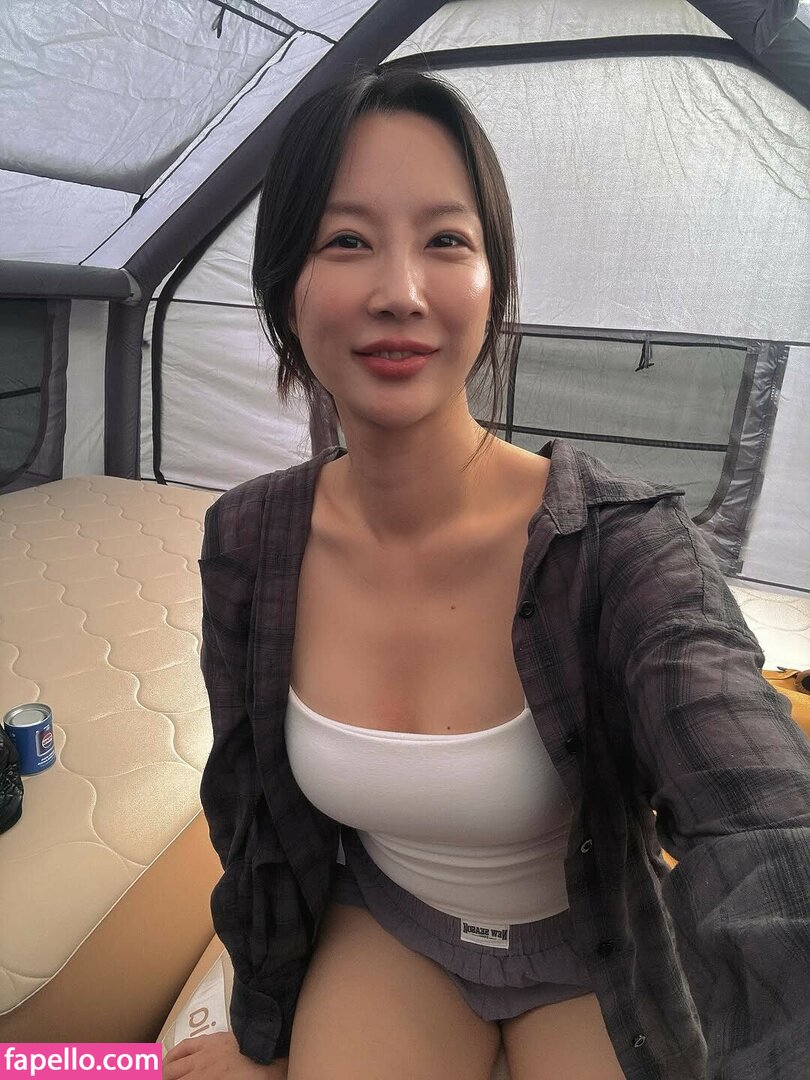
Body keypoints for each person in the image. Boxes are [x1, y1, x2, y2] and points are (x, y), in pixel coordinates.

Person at [163, 65, 810, 1080]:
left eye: (446, 241)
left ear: (493, 284)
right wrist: (262, 1037)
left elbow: (763, 814)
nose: (400, 291)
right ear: (287, 285)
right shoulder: (247, 542)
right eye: (346, 240)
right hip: (393, 926)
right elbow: (250, 813)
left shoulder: (622, 546)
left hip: (596, 946)